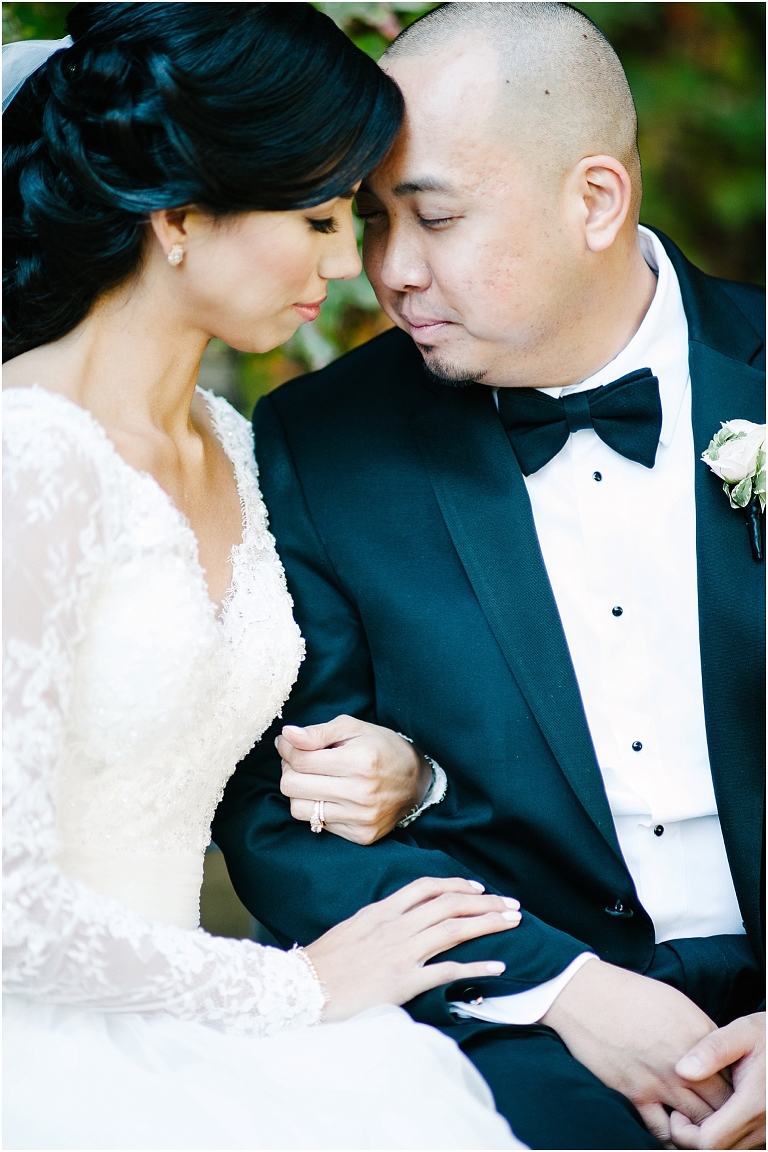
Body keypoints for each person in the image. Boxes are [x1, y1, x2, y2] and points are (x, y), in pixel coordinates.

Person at [212, 4, 766, 1149]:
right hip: (514, 1020)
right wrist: (564, 989)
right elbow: (280, 809)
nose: (391, 272)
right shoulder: (323, 444)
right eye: (374, 222)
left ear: (596, 200)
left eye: (438, 218)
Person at [2, 5, 524, 1148]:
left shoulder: (230, 443)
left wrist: (402, 770)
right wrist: (297, 991)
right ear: (179, 215)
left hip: (181, 1006)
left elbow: (242, 736)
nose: (354, 267)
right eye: (324, 217)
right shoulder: (27, 457)